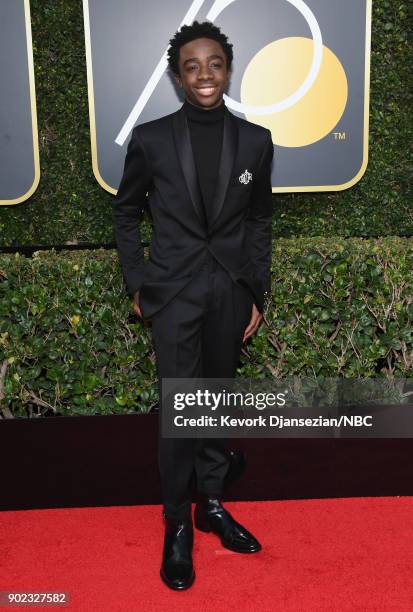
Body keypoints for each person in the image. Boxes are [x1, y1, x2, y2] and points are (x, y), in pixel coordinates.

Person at [113, 20, 274, 590]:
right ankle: (176, 524)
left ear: (228, 69)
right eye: (191, 66)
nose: (204, 74)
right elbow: (126, 213)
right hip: (174, 294)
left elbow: (257, 221)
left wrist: (257, 290)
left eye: (215, 64)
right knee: (182, 411)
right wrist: (138, 282)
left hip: (230, 293)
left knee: (217, 403)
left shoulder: (256, 140)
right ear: (177, 75)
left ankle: (212, 505)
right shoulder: (153, 139)